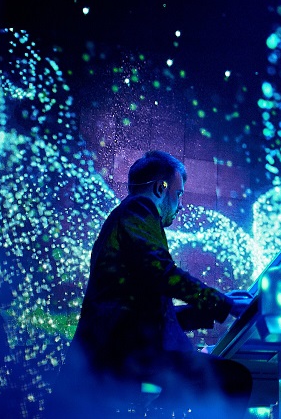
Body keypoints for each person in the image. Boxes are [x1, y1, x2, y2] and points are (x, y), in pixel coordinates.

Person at [46, 150, 253, 418]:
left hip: (113, 357)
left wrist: (214, 307)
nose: (180, 205)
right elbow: (163, 273)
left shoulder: (124, 220)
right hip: (120, 356)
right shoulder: (138, 209)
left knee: (204, 383)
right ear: (160, 188)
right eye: (178, 194)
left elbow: (146, 316)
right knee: (234, 379)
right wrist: (223, 303)